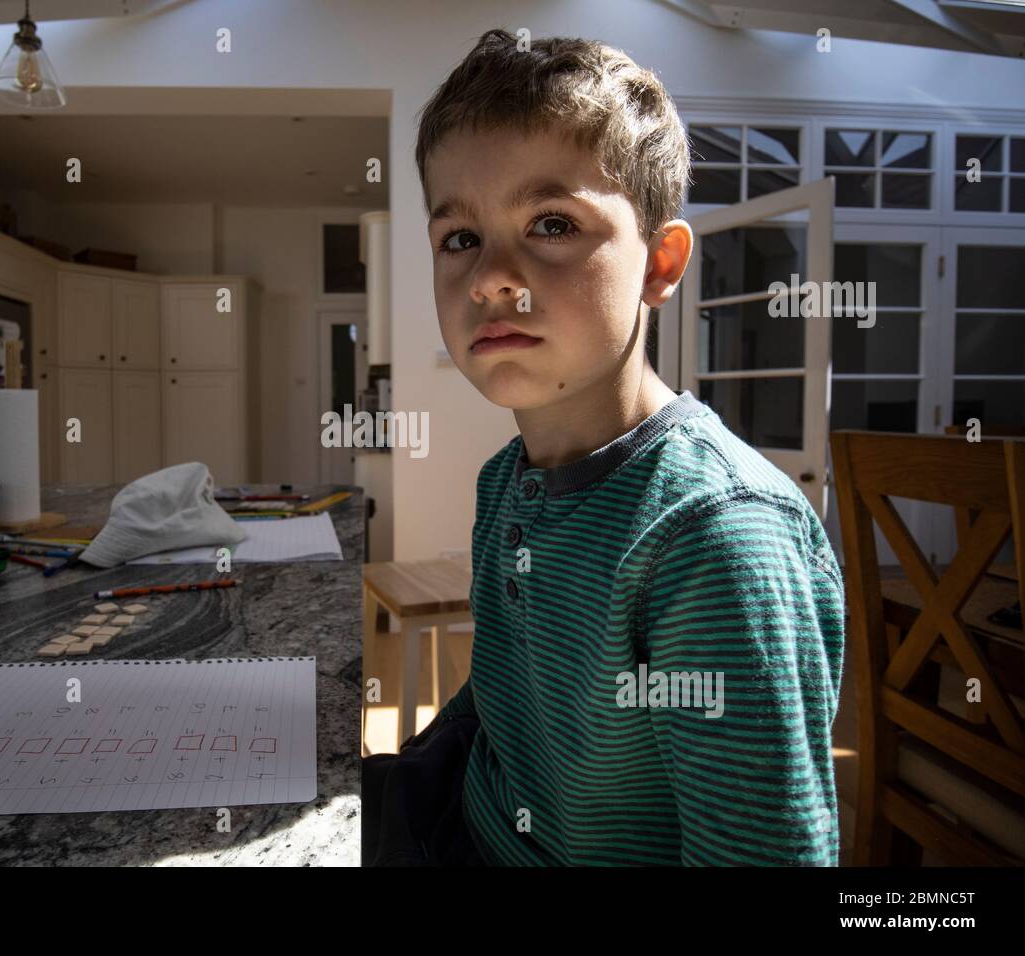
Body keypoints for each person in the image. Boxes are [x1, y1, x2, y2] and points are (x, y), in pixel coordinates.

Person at [362, 28, 845, 866]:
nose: (487, 277)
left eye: (550, 223)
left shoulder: (713, 540)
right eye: (460, 237)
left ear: (661, 264)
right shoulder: (507, 481)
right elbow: (508, 695)